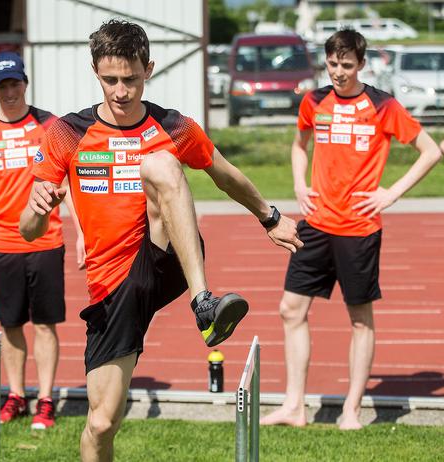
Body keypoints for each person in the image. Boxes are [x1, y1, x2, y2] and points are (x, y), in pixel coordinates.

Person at [19, 20, 302, 461]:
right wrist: (38, 210)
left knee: (161, 167)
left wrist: (270, 216)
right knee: (100, 423)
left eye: (130, 79)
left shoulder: (173, 126)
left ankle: (204, 303)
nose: (120, 90)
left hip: (161, 253)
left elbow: (225, 175)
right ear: (95, 72)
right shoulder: (66, 133)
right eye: (110, 79)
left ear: (148, 69)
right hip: (113, 288)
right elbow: (28, 231)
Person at [260, 29, 442, 430]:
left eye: (346, 64)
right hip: (317, 224)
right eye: (332, 64)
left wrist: (390, 194)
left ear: (361, 64)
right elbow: (298, 144)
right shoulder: (313, 101)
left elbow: (431, 151)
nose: (338, 72)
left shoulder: (383, 106)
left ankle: (351, 411)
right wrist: (298, 184)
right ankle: (294, 407)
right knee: (291, 310)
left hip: (359, 228)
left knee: (359, 320)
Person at [0, 52, 84, 430]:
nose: (10, 91)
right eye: (2, 85)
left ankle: (46, 399)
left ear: (25, 83)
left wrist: (82, 232)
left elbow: (72, 183)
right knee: (11, 325)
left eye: (15, 83)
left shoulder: (51, 126)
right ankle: (16, 394)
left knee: (46, 325)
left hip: (47, 242)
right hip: (1, 244)